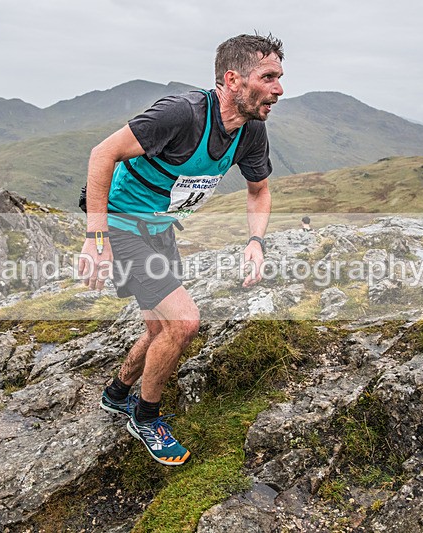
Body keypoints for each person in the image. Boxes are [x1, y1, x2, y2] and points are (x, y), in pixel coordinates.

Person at [78, 33, 284, 466]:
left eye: (279, 78)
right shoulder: (182, 114)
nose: (279, 89)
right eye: (268, 77)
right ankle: (145, 417)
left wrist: (255, 242)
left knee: (160, 329)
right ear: (233, 80)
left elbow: (259, 191)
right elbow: (102, 154)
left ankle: (117, 393)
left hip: (160, 230)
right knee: (184, 323)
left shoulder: (251, 133)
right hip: (121, 225)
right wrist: (96, 239)